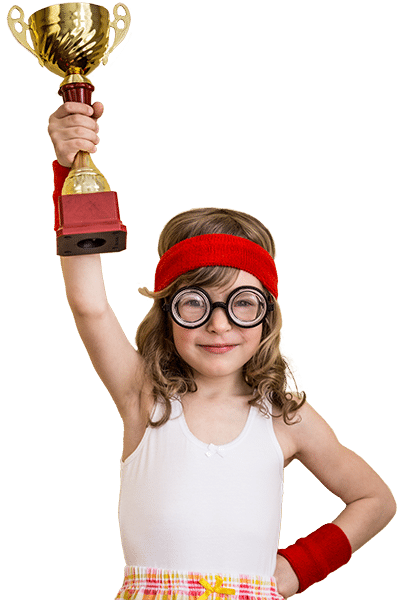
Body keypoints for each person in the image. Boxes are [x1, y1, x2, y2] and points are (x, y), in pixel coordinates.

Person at [47, 101, 396, 600]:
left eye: (242, 304)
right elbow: (88, 304)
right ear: (168, 313)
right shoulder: (144, 399)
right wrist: (70, 168)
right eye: (195, 303)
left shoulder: (284, 419)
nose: (218, 325)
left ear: (267, 316)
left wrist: (295, 569)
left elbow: (375, 499)